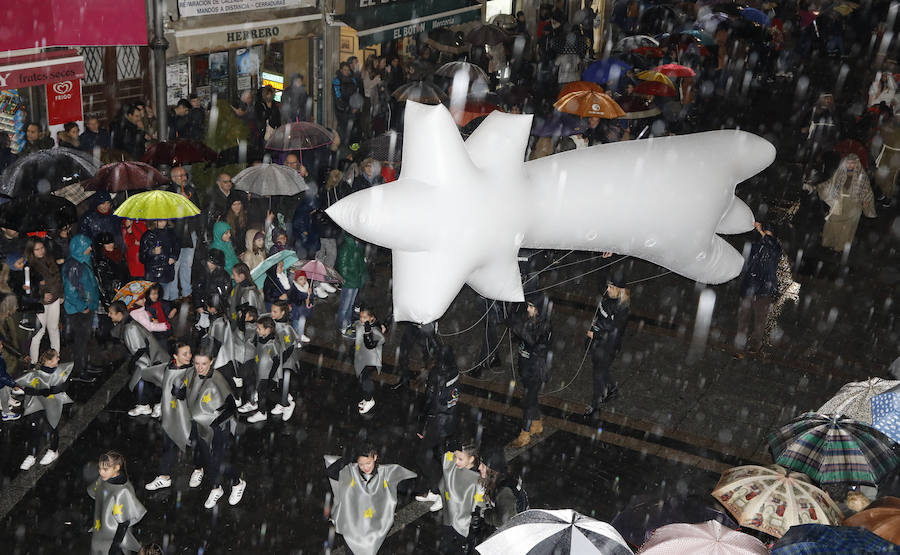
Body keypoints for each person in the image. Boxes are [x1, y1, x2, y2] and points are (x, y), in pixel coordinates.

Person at [182, 349, 246, 508]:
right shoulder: (192, 374)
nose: (200, 367)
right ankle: (216, 487)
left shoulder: (218, 380)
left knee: (219, 460)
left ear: (211, 361)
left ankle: (237, 483)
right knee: (206, 457)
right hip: (200, 424)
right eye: (196, 363)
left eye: (204, 363)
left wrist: (215, 423)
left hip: (218, 427)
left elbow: (231, 408)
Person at [324, 445, 416, 555]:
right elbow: (331, 472)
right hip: (353, 524)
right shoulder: (352, 471)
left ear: (375, 458)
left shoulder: (385, 472)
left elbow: (409, 481)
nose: (365, 467)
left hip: (376, 526)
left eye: (368, 463)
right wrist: (349, 457)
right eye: (361, 464)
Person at [142, 342, 195, 493]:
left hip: (187, 417)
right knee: (168, 445)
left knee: (199, 445)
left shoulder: (191, 371)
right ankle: (164, 477)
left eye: (189, 353)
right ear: (175, 356)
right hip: (171, 416)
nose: (189, 356)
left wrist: (183, 393)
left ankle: (205, 473)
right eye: (184, 354)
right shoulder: (169, 367)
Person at [414, 346, 461, 510]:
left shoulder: (437, 375)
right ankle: (433, 489)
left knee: (422, 456)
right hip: (450, 418)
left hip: (437, 421)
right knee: (437, 455)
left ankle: (442, 491)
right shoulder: (454, 370)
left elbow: (429, 402)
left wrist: (422, 425)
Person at [108, 301, 169, 418]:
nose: (109, 315)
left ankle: (152, 404)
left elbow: (140, 349)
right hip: (151, 358)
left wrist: (133, 364)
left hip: (152, 359)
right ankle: (148, 404)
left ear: (120, 314)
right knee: (147, 381)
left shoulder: (130, 327)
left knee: (141, 381)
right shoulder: (128, 324)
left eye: (111, 313)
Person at [16, 349, 73, 469]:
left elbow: (62, 386)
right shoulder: (36, 374)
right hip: (38, 404)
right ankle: (32, 455)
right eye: (56, 357)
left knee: (51, 426)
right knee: (35, 427)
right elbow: (28, 388)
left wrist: (47, 391)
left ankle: (53, 450)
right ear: (48, 361)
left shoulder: (60, 371)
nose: (58, 359)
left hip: (53, 403)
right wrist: (38, 391)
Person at [509, 297, 552, 447]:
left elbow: (533, 341)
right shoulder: (530, 319)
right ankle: (537, 424)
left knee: (528, 401)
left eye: (531, 307)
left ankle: (525, 434)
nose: (528, 309)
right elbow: (519, 338)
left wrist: (519, 330)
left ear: (539, 309)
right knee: (531, 398)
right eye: (528, 306)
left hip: (535, 369)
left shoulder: (544, 326)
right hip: (526, 366)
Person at [585, 271, 630, 416]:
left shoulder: (622, 308)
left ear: (618, 290)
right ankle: (612, 389)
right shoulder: (608, 294)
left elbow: (615, 331)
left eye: (611, 287)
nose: (607, 289)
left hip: (608, 346)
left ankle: (595, 407)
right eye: (608, 287)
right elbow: (600, 281)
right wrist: (604, 262)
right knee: (600, 369)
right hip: (597, 342)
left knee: (598, 374)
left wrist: (595, 334)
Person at [814, 154, 877, 252]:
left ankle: (839, 248)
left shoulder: (861, 176)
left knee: (846, 229)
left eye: (853, 163)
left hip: (853, 205)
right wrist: (819, 188)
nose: (850, 165)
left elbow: (866, 190)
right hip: (839, 203)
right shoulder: (840, 173)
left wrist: (866, 202)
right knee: (832, 223)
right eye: (848, 163)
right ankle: (828, 243)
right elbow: (831, 184)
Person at [88, 451, 147, 555]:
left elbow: (124, 522)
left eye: (105, 469)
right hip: (99, 535)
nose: (101, 472)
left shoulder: (122, 490)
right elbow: (98, 499)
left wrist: (115, 546)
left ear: (116, 468)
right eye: (99, 468)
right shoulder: (102, 480)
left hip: (114, 538)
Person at [736, 222, 782, 353]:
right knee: (743, 316)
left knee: (759, 319)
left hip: (764, 290)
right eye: (764, 234)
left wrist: (761, 231)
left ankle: (755, 344)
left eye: (768, 234)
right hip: (749, 287)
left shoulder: (775, 248)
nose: (764, 237)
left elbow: (770, 245)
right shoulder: (755, 246)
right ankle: (740, 340)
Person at [63, 234, 100, 380]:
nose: (91, 248)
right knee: (80, 340)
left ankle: (85, 364)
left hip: (86, 307)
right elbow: (70, 291)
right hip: (78, 310)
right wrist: (82, 306)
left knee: (85, 338)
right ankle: (79, 370)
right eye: (87, 246)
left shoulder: (83, 261)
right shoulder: (73, 266)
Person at [438, 442, 482, 554]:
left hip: (462, 529)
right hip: (450, 522)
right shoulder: (455, 466)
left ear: (471, 459)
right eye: (456, 457)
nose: (456, 461)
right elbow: (445, 455)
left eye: (460, 459)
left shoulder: (477, 481)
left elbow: (478, 509)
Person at [244, 316, 289, 423]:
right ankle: (262, 410)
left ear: (268, 330)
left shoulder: (271, 344)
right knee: (261, 391)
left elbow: (277, 361)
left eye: (259, 328)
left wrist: (270, 377)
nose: (257, 330)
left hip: (266, 374)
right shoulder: (261, 338)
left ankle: (285, 404)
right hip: (259, 371)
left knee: (265, 393)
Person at [25, 238, 63, 363]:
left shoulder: (49, 259)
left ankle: (55, 357)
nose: (41, 251)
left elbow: (58, 277)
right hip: (40, 304)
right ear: (31, 251)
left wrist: (61, 294)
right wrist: (41, 296)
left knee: (54, 329)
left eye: (42, 248)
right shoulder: (29, 267)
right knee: (39, 333)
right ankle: (34, 363)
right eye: (37, 249)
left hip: (55, 299)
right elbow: (29, 288)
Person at [474, 446, 526, 534]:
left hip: (513, 531)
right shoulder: (505, 477)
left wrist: (485, 513)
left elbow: (503, 521)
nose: (479, 467)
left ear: (492, 469)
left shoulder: (503, 491)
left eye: (483, 465)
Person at [354, 306, 385, 415]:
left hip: (371, 359)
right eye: (361, 316)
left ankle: (369, 400)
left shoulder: (374, 330)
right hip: (363, 357)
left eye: (364, 317)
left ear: (371, 318)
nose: (361, 319)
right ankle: (366, 398)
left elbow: (371, 344)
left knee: (364, 379)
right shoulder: (366, 324)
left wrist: (368, 332)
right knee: (362, 377)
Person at [192, 249, 232, 332]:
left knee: (216, 331)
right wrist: (199, 306)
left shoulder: (224, 277)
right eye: (209, 261)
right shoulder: (201, 272)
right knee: (200, 330)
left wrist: (214, 307)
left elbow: (224, 295)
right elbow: (196, 290)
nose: (209, 264)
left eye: (212, 262)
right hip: (202, 307)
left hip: (217, 311)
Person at [336, 232, 367, 335]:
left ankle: (348, 323)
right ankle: (342, 327)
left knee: (350, 305)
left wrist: (362, 276)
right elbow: (342, 266)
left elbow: (361, 263)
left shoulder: (358, 246)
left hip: (356, 281)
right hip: (349, 282)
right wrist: (350, 278)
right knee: (345, 306)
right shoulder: (347, 247)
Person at [139, 220, 178, 300]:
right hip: (152, 274)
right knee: (152, 301)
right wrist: (152, 252)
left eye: (165, 220)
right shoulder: (148, 235)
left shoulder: (171, 233)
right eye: (160, 221)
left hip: (167, 271)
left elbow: (176, 247)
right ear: (154, 221)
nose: (163, 223)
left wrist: (173, 257)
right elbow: (142, 257)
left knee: (164, 300)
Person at [93, 232, 129, 309]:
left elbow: (125, 271)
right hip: (111, 294)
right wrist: (113, 286)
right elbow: (102, 282)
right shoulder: (101, 261)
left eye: (111, 242)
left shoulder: (119, 253)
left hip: (123, 290)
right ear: (102, 245)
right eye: (106, 243)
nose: (110, 245)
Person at [204, 173, 233, 239]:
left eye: (230, 181)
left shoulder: (234, 194)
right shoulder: (211, 196)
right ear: (218, 183)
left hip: (231, 229)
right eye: (225, 182)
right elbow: (208, 217)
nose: (229, 184)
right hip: (218, 230)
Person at [225, 191, 249, 257]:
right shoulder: (226, 219)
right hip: (232, 252)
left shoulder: (246, 217)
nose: (237, 207)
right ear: (230, 205)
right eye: (234, 204)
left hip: (245, 251)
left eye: (239, 204)